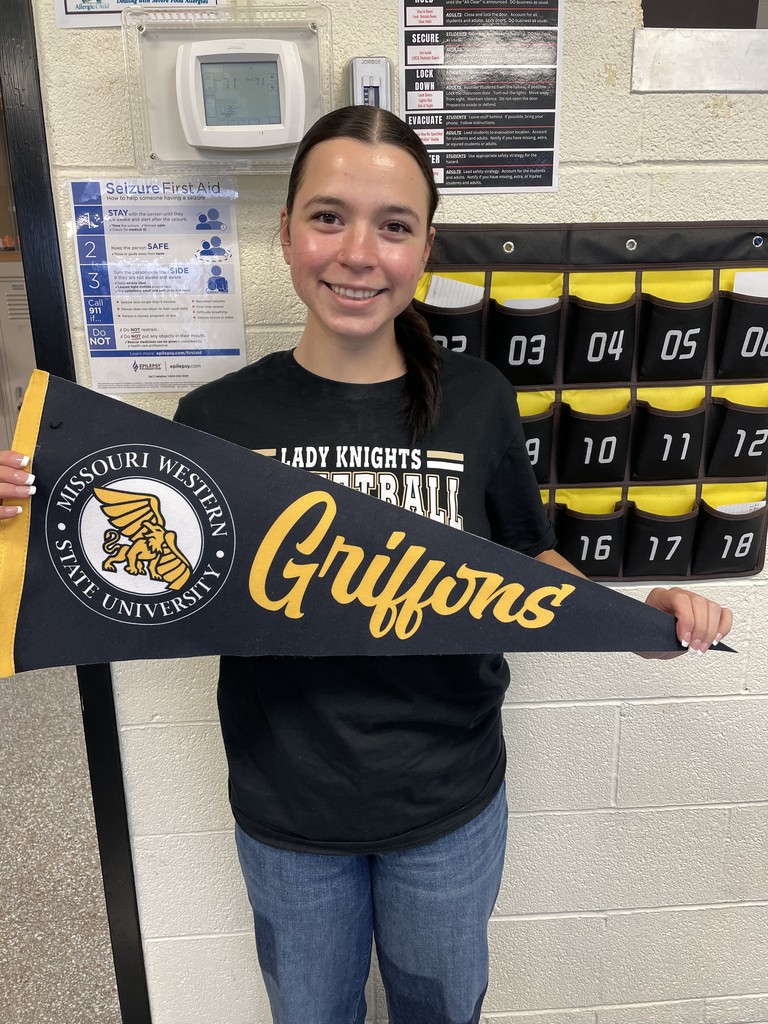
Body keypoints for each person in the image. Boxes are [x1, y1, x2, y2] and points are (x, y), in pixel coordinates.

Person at [0, 106, 732, 1024]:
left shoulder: (476, 400)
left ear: (424, 247)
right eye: (328, 216)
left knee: (442, 1009)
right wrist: (25, 516)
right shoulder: (219, 416)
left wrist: (639, 622)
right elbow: (139, 574)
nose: (357, 252)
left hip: (449, 801)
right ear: (286, 231)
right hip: (287, 806)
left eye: (392, 226)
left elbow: (528, 562)